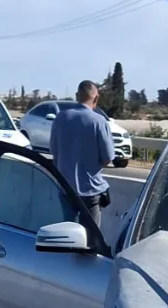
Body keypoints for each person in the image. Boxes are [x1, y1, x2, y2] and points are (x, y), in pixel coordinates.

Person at [50, 80, 115, 227]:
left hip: (65, 188)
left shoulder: (60, 118)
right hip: (90, 190)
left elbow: (55, 153)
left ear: (77, 96)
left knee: (68, 233)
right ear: (96, 98)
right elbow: (108, 157)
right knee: (91, 237)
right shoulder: (99, 122)